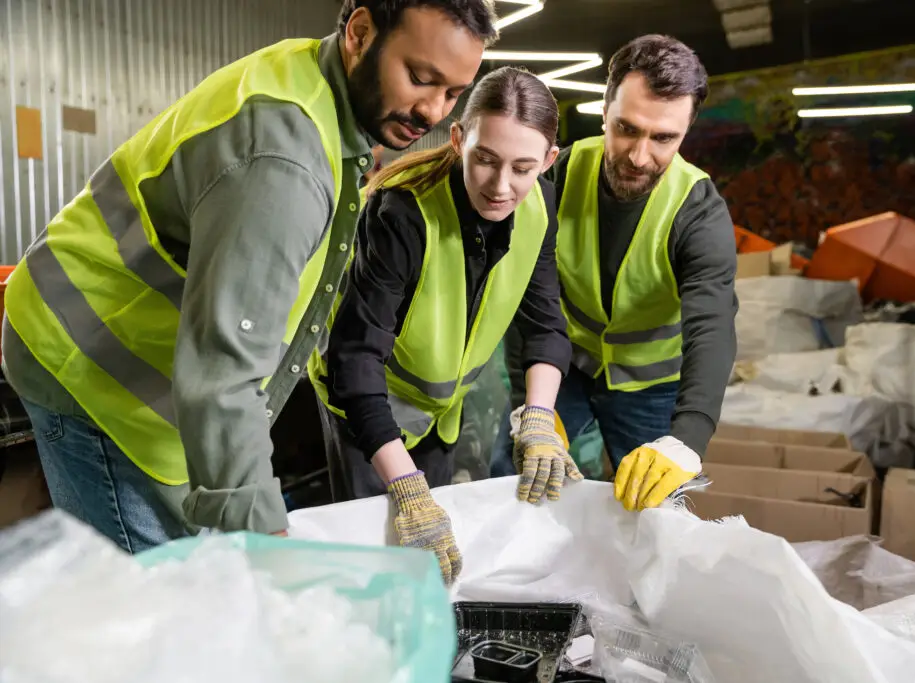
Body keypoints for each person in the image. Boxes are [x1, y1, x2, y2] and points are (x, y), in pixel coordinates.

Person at [0, 0, 498, 554]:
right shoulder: (284, 161)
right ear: (360, 33)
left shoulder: (314, 82)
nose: (433, 110)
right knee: (154, 605)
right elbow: (224, 374)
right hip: (88, 360)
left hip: (149, 359)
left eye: (453, 94)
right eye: (420, 78)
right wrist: (264, 538)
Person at [317, 66, 577, 584]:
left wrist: (540, 418)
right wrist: (404, 485)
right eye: (484, 159)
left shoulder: (540, 205)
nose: (501, 187)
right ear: (458, 139)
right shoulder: (402, 213)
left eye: (523, 168)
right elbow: (356, 360)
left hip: (439, 414)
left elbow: (544, 320)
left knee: (432, 556)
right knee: (374, 558)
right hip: (364, 409)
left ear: (548, 161)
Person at [495, 34, 738, 512]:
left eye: (663, 138)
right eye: (626, 128)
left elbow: (712, 328)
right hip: (564, 365)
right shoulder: (556, 176)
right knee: (520, 483)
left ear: (685, 133)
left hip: (652, 387)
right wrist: (531, 403)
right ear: (604, 110)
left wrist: (687, 439)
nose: (639, 155)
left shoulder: (700, 213)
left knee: (654, 512)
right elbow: (524, 290)